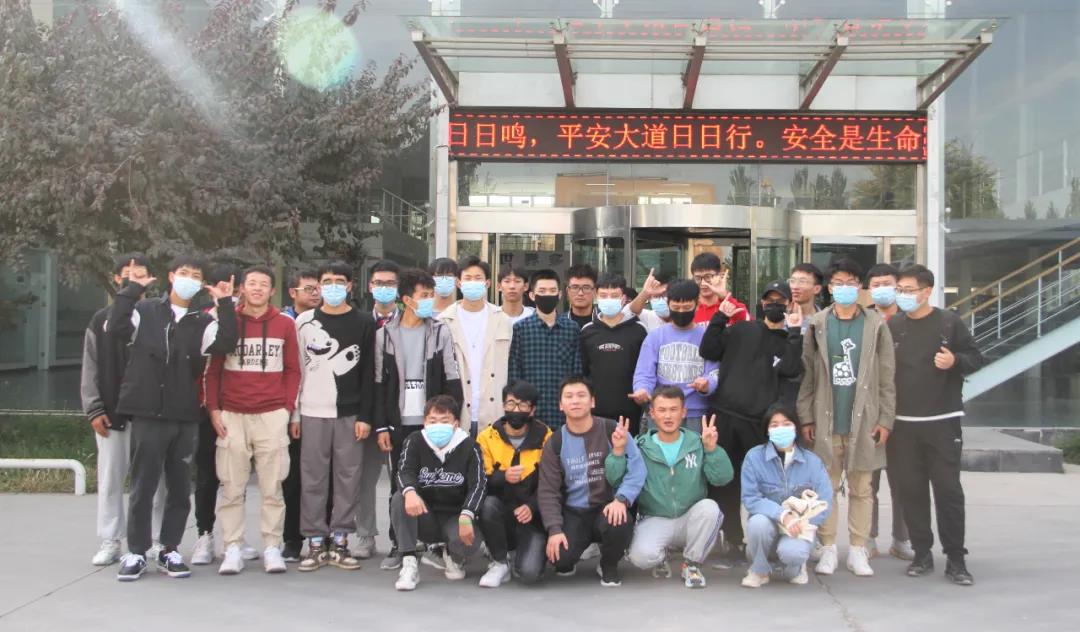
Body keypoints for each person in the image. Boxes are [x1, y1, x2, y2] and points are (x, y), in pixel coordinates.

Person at [109, 256, 238, 581]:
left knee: (180, 487)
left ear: (202, 284)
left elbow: (226, 342)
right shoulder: (146, 310)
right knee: (143, 485)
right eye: (183, 273)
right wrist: (131, 288)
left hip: (184, 413)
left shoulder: (202, 321)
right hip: (148, 411)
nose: (188, 279)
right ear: (170, 276)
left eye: (195, 275)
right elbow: (116, 326)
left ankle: (170, 549)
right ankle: (137, 552)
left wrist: (224, 304)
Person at [797, 257, 896, 577]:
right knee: (825, 488)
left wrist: (886, 419)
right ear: (829, 287)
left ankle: (857, 549)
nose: (844, 289)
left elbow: (887, 376)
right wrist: (806, 417)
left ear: (859, 287)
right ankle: (827, 548)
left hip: (864, 421)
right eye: (838, 283)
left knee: (862, 489)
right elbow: (808, 375)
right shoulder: (818, 323)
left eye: (851, 283)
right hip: (826, 419)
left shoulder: (875, 324)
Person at [888, 264, 984, 586]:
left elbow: (976, 357)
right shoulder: (894, 326)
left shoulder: (948, 322)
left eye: (908, 290)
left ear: (927, 291)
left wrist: (955, 361)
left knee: (948, 491)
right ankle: (921, 554)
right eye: (899, 290)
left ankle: (956, 559)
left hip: (942, 422)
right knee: (911, 491)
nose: (902, 296)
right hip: (902, 424)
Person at [202, 265, 300, 575]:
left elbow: (293, 370)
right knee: (231, 485)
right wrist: (214, 410)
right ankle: (232, 546)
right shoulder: (226, 322)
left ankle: (272, 546)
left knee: (273, 486)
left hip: (272, 414)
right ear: (242, 288)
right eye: (252, 283)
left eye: (264, 284)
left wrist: (286, 408)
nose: (257, 288)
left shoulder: (285, 324)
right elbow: (213, 371)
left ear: (273, 291)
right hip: (232, 413)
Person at [699, 280, 804, 567]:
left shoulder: (789, 339)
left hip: (759, 423)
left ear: (789, 305)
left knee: (765, 485)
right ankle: (733, 540)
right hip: (725, 416)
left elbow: (791, 369)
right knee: (725, 483)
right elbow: (708, 349)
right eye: (769, 301)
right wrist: (720, 316)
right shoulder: (742, 329)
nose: (774, 306)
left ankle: (768, 542)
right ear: (761, 304)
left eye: (780, 301)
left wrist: (795, 331)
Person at [374, 268, 464, 571]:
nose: (429, 301)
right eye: (423, 296)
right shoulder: (385, 335)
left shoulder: (439, 332)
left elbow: (452, 376)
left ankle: (434, 544)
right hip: (399, 422)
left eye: (431, 295)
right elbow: (379, 383)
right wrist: (382, 425)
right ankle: (401, 545)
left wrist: (452, 418)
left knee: (434, 481)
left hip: (433, 424)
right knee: (400, 484)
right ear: (406, 299)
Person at [81, 254, 165, 566]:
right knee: (111, 480)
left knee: (158, 481)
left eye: (140, 274)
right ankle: (111, 539)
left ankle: (156, 539)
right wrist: (94, 408)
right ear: (117, 279)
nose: (134, 279)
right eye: (128, 274)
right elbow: (90, 367)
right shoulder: (101, 320)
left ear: (151, 279)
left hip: (152, 413)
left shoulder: (160, 315)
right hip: (112, 414)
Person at [293, 262, 375, 573]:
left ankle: (340, 539)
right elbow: (297, 370)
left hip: (350, 413)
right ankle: (315, 541)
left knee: (348, 478)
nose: (333, 286)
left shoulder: (364, 322)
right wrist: (295, 413)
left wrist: (365, 416)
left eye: (340, 281)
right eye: (327, 281)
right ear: (319, 285)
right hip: (312, 410)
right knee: (312, 477)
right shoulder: (304, 321)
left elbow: (369, 372)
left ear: (350, 286)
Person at [537, 377, 646, 587]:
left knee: (619, 521)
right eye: (569, 396)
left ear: (592, 401)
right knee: (560, 559)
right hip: (574, 512)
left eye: (581, 395)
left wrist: (622, 499)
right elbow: (548, 491)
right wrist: (554, 529)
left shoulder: (612, 429)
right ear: (561, 405)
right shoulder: (555, 442)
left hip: (607, 507)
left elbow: (637, 468)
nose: (575, 401)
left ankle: (609, 565)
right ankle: (576, 550)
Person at [624, 387, 733, 589]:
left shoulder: (697, 442)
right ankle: (663, 554)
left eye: (673, 409)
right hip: (655, 518)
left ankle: (691, 564)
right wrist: (617, 453)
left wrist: (711, 450)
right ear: (652, 413)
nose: (668, 416)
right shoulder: (640, 446)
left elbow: (723, 478)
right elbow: (615, 480)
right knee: (640, 558)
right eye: (662, 410)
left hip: (689, 518)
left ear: (683, 412)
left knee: (710, 508)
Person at [190, 262, 251, 567]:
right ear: (210, 288)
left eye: (234, 287)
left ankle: (235, 537)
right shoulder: (201, 321)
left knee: (237, 478)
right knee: (207, 476)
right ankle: (204, 534)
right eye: (222, 287)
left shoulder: (248, 320)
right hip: (205, 410)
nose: (231, 293)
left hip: (239, 408)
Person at [391, 395, 486, 591]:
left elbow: (478, 484)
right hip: (425, 514)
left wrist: (468, 514)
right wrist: (410, 492)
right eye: (432, 421)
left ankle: (450, 554)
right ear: (425, 422)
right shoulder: (415, 440)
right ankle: (409, 561)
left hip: (456, 516)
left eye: (445, 421)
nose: (438, 426)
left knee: (470, 544)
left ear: (456, 423)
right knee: (400, 498)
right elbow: (404, 471)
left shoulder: (469, 446)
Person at [741, 404, 833, 588]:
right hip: (768, 521)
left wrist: (802, 521)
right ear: (767, 431)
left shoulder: (812, 462)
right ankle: (759, 569)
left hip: (798, 527)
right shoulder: (754, 457)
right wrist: (782, 515)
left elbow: (825, 502)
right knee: (757, 523)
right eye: (774, 425)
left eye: (786, 424)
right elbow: (751, 498)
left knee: (793, 555)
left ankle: (796, 567)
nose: (780, 429)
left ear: (795, 428)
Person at [475, 381, 552, 587]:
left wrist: (532, 506)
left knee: (529, 574)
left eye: (523, 405)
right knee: (488, 505)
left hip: (532, 518)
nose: (516, 410)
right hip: (501, 512)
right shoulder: (487, 437)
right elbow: (479, 481)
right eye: (511, 403)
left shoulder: (546, 437)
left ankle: (522, 552)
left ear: (532, 410)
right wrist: (503, 477)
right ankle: (499, 561)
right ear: (503, 406)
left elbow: (553, 483)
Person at [864, 263, 913, 561]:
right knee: (867, 482)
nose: (881, 288)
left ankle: (901, 538)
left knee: (903, 481)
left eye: (887, 283)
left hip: (905, 413)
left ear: (898, 287)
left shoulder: (912, 319)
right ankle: (867, 537)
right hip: (869, 413)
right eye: (876, 284)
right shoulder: (862, 318)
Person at [630, 280, 718, 433]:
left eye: (687, 307)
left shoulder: (707, 336)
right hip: (661, 412)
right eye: (676, 307)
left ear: (697, 305)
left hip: (695, 414)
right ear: (668, 305)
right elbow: (644, 372)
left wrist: (707, 384)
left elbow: (714, 371)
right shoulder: (655, 336)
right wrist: (642, 389)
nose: (681, 312)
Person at [438, 256, 512, 435]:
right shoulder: (444, 321)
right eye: (468, 278)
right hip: (458, 411)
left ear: (487, 283)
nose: (473, 283)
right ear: (458, 283)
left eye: (478, 278)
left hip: (493, 410)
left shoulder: (502, 320)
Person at [281, 268, 322, 562]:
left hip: (323, 410)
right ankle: (292, 539)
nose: (316, 292)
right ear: (292, 292)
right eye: (309, 288)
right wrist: (293, 413)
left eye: (318, 287)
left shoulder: (326, 321)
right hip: (293, 412)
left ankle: (325, 537)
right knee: (293, 479)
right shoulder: (285, 323)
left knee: (324, 478)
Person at [508, 269, 583, 429]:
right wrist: (519, 408)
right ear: (532, 295)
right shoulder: (520, 329)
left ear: (559, 295)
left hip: (563, 413)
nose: (547, 295)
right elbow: (514, 373)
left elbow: (577, 374)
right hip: (531, 413)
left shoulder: (572, 329)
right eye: (542, 291)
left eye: (552, 290)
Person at [580, 273, 649, 435]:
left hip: (630, 410)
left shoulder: (639, 330)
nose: (609, 299)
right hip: (595, 411)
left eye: (614, 295)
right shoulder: (587, 331)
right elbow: (583, 371)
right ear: (596, 297)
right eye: (604, 295)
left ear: (623, 298)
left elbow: (645, 369)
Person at [690, 253, 748, 325]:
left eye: (708, 277)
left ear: (719, 275)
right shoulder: (689, 308)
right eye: (698, 278)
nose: (703, 283)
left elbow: (748, 323)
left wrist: (724, 297)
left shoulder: (730, 304)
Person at [789, 263, 825, 330]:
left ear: (817, 289)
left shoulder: (825, 320)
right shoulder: (781, 318)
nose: (795, 287)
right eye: (792, 281)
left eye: (802, 282)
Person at [565, 263, 598, 329]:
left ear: (594, 292)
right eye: (575, 287)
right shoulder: (558, 324)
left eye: (586, 288)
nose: (580, 293)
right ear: (567, 291)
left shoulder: (604, 322)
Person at [370, 259, 401, 328]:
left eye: (390, 283)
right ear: (370, 287)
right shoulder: (359, 323)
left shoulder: (410, 323)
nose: (384, 287)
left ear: (398, 287)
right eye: (378, 283)